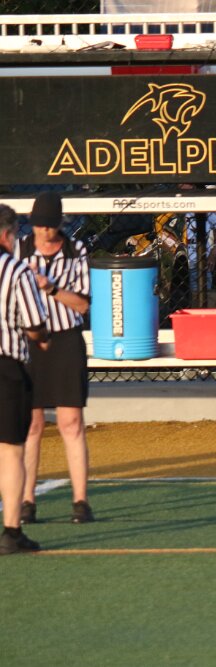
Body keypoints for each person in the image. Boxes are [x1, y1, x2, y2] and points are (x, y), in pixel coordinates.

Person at [15, 192, 95, 526]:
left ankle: (80, 501)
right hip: (28, 341)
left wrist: (49, 288)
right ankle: (27, 500)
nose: (44, 232)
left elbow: (83, 305)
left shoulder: (76, 251)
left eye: (49, 226)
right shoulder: (18, 250)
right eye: (39, 225)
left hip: (64, 340)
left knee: (70, 422)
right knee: (31, 424)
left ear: (59, 224)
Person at [0, 205, 48, 555]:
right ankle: (12, 531)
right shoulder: (17, 271)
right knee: (11, 449)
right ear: (7, 234)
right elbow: (34, 325)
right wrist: (42, 339)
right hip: (7, 367)